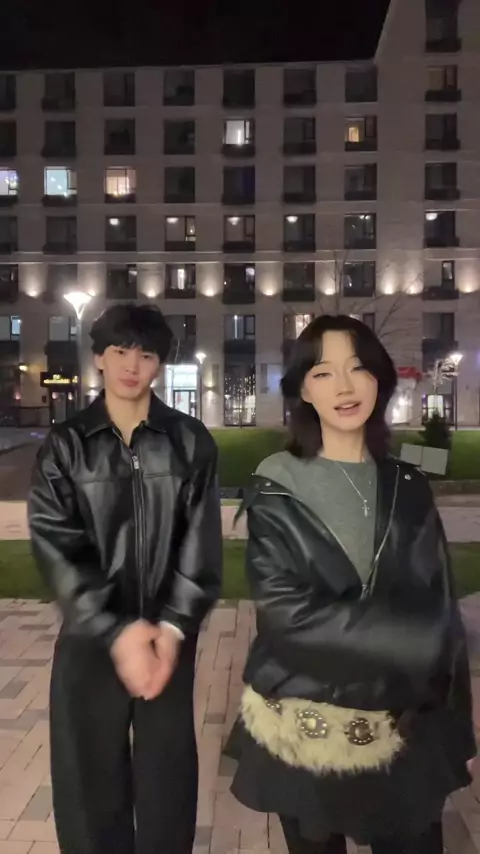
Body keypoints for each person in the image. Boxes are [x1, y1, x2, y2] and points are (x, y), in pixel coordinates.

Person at [227, 315, 476, 854]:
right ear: (302, 391)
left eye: (358, 368)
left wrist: (452, 717)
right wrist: (412, 643)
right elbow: (289, 618)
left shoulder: (407, 484)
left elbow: (439, 602)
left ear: (379, 379)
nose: (344, 386)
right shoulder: (278, 486)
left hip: (404, 725)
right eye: (323, 373)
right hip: (308, 726)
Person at [28, 302, 222, 854]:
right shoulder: (67, 445)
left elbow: (200, 546)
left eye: (146, 354)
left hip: (166, 640)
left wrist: (173, 628)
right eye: (120, 351)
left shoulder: (189, 441)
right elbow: (57, 545)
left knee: (167, 785)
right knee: (89, 788)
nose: (132, 366)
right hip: (92, 638)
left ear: (160, 363)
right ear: (99, 357)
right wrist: (116, 630)